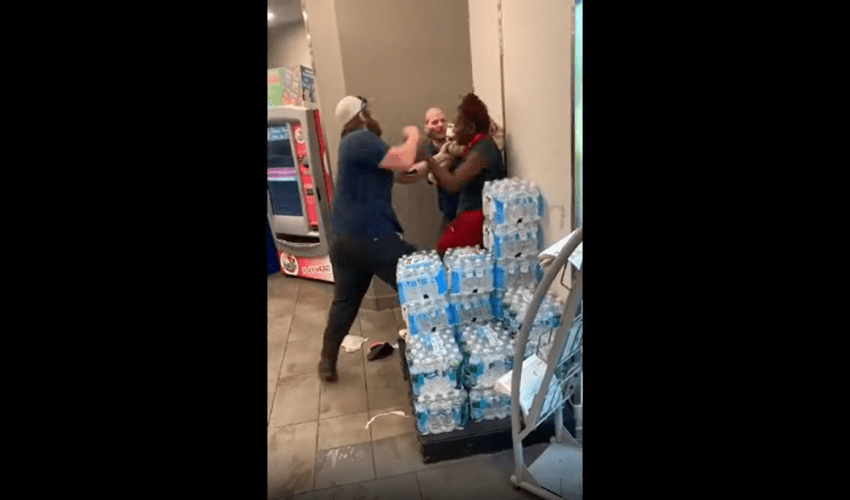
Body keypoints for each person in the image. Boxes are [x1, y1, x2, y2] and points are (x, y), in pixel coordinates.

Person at [318, 95, 424, 383]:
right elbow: (403, 160)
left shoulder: (352, 146)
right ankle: (432, 351)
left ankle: (327, 361)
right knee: (421, 283)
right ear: (361, 115)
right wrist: (413, 136)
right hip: (373, 237)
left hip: (346, 241)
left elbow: (404, 173)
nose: (372, 115)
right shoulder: (360, 138)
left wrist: (439, 162)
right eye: (368, 110)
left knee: (345, 303)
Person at [426, 93, 506, 254]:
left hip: (476, 219)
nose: (453, 130)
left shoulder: (483, 149)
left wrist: (429, 161)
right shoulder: (475, 147)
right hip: (472, 218)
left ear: (470, 128)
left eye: (456, 125)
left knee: (441, 255)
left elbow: (453, 184)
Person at [422, 107, 461, 231]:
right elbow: (429, 177)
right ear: (427, 127)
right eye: (434, 122)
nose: (440, 125)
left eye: (443, 121)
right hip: (449, 209)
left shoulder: (459, 140)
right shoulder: (426, 151)